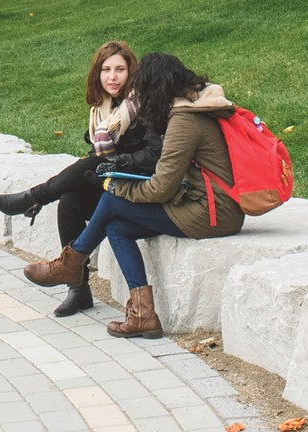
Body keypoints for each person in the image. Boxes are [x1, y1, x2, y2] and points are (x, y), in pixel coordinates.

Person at [22, 53, 243, 339]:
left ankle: (70, 264)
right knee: (117, 227)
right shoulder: (192, 108)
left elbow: (162, 187)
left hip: (212, 213)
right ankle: (143, 316)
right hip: (207, 204)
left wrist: (116, 188)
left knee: (113, 202)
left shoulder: (185, 120)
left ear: (156, 88)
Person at [0, 41, 163, 316]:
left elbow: (152, 156)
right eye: (106, 69)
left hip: (140, 186)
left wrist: (112, 163)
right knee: (70, 201)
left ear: (132, 71)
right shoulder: (102, 110)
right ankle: (79, 290)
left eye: (120, 69)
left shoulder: (145, 104)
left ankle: (33, 198)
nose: (113, 76)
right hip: (114, 184)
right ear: (98, 74)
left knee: (96, 162)